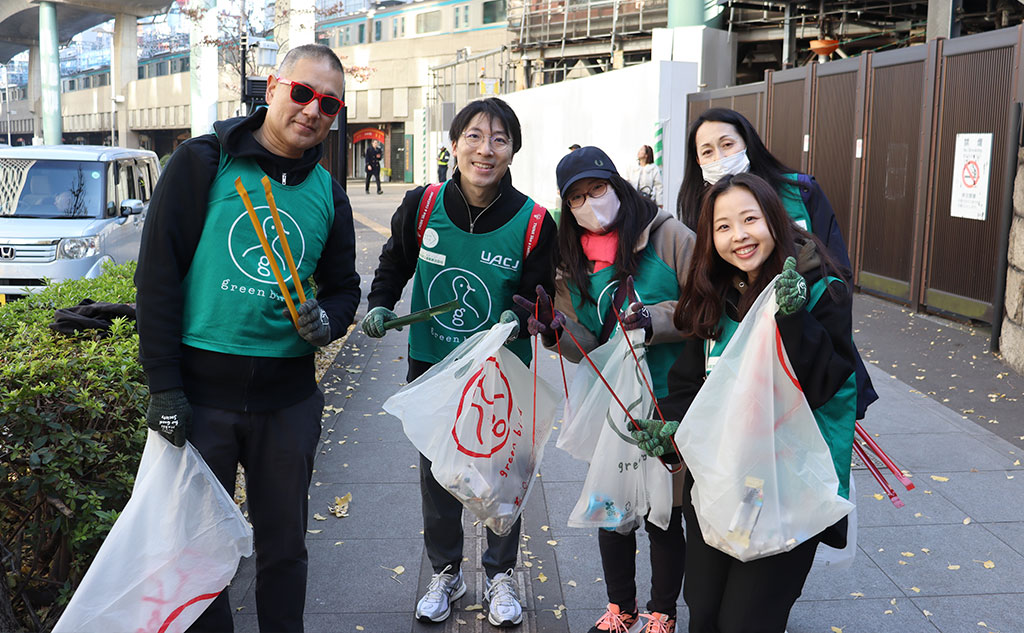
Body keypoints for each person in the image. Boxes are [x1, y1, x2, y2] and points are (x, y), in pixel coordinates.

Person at [134, 44, 360, 632]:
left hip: (288, 402)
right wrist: (163, 387)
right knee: (197, 556)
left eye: (329, 104)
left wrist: (329, 321)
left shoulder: (329, 196)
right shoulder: (202, 162)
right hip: (200, 400)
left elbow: (343, 288)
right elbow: (157, 275)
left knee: (284, 550)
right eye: (303, 93)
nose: (313, 111)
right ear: (273, 85)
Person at [359, 97, 557, 628]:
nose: (485, 149)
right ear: (454, 144)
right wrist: (380, 304)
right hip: (432, 364)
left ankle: (499, 574)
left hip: (500, 374)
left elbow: (540, 297)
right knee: (437, 473)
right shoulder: (423, 206)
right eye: (473, 136)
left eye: (498, 139)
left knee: (502, 473)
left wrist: (529, 320)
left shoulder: (535, 221)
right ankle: (446, 571)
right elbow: (394, 263)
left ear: (512, 151)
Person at [637, 172, 856, 633]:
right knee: (704, 608)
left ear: (774, 220)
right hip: (722, 484)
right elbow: (689, 385)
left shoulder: (818, 287)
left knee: (747, 619)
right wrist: (671, 431)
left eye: (750, 219)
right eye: (722, 226)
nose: (738, 236)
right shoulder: (716, 293)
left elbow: (825, 386)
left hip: (786, 487)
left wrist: (795, 319)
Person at [514, 146, 695, 633]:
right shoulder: (573, 259)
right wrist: (555, 329)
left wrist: (653, 321)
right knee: (612, 505)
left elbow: (707, 306)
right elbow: (587, 340)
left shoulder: (669, 236)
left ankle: (662, 612)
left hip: (671, 397)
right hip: (612, 403)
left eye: (598, 189)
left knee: (663, 508)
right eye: (577, 197)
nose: (590, 202)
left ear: (617, 185)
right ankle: (622, 608)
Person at [677, 107, 877, 420]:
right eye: (707, 151)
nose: (740, 236)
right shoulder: (700, 212)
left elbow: (837, 272)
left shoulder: (800, 192)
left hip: (809, 356)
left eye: (727, 144)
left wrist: (799, 304)